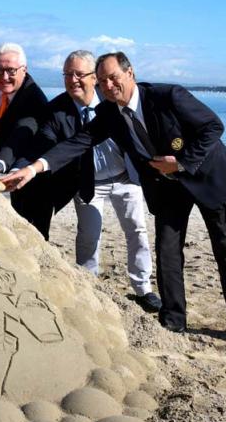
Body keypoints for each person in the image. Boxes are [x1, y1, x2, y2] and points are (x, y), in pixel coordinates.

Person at [2, 52, 226, 350]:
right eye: (102, 81)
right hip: (168, 188)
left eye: (114, 78)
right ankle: (174, 317)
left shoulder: (169, 96)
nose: (109, 86)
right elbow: (77, 143)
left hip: (209, 178)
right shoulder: (110, 113)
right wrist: (33, 168)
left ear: (130, 73)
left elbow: (213, 127)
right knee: (168, 250)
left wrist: (182, 162)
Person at [34, 50, 159, 312]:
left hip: (125, 178)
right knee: (89, 235)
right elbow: (46, 144)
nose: (73, 80)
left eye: (80, 74)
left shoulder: (112, 99)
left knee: (137, 231)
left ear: (94, 78)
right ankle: (87, 285)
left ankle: (143, 288)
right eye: (68, 74)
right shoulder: (55, 110)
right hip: (90, 184)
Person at [0, 43, 54, 240]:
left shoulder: (34, 99)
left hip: (33, 165)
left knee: (35, 229)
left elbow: (20, 135)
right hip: (5, 155)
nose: (4, 77)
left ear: (24, 70)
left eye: (11, 71)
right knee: (16, 214)